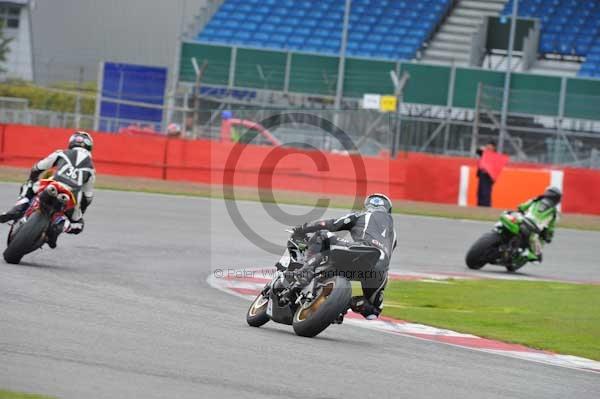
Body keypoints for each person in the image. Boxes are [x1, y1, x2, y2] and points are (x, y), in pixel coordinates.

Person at [290, 193, 397, 320]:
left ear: (367, 205)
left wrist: (302, 229)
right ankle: (346, 304)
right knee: (373, 312)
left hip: (361, 251)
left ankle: (305, 272)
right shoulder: (393, 234)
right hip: (380, 269)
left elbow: (331, 224)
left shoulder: (362, 214)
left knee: (322, 235)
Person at [0, 131, 96, 248]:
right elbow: (88, 197)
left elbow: (38, 167)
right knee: (78, 225)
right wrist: (80, 211)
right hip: (70, 197)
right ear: (90, 146)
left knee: (29, 186)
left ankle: (14, 211)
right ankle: (54, 233)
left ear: (72, 142)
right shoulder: (91, 169)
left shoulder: (62, 153)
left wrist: (32, 179)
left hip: (51, 185)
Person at [517, 186, 561, 262]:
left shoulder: (536, 199)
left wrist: (521, 210)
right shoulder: (554, 213)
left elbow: (521, 207)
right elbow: (551, 228)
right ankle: (527, 253)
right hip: (534, 229)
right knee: (538, 256)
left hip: (522, 221)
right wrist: (548, 237)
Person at [476, 140, 497, 207]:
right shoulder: (484, 153)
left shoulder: (494, 155)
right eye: (487, 145)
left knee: (486, 192)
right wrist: (483, 149)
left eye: (490, 145)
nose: (488, 146)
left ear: (494, 147)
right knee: (480, 192)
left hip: (488, 176)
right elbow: (478, 151)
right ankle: (480, 205)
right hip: (482, 174)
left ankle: (486, 206)